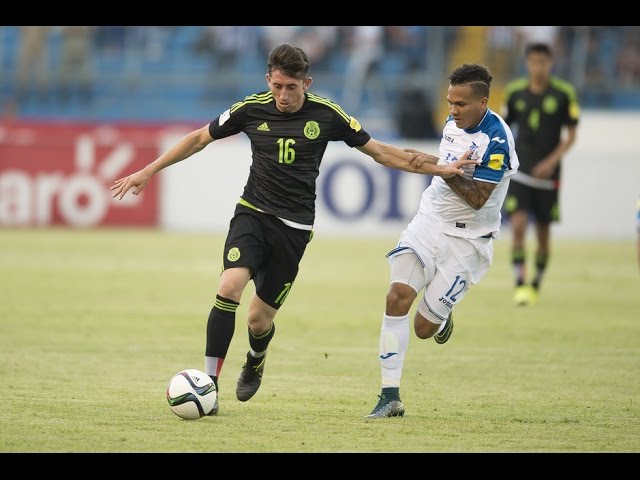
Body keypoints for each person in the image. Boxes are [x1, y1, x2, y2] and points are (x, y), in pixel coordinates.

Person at [110, 43, 475, 416]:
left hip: (295, 229)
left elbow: (381, 152)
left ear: (307, 83)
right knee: (228, 286)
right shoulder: (250, 109)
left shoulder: (328, 115)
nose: (283, 95)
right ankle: (210, 386)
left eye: (292, 87)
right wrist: (148, 170)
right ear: (269, 79)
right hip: (252, 214)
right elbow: (198, 138)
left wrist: (438, 167)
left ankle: (256, 356)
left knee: (258, 319)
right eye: (278, 86)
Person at [366, 63, 519, 419]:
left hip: (469, 241)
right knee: (396, 296)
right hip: (430, 222)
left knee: (423, 328)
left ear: (483, 101)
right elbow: (447, 167)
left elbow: (478, 197)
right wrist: (437, 165)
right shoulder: (453, 124)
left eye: (461, 104)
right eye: (450, 102)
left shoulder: (496, 138)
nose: (452, 110)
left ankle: (441, 314)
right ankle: (390, 396)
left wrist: (442, 171)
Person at [502, 42, 580, 306]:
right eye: (533, 62)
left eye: (542, 62)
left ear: (550, 63)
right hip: (521, 172)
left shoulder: (563, 94)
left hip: (549, 176)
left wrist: (551, 161)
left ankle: (536, 282)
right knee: (519, 228)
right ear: (527, 63)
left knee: (544, 236)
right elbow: (503, 127)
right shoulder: (515, 93)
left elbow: (571, 136)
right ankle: (520, 283)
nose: (538, 67)